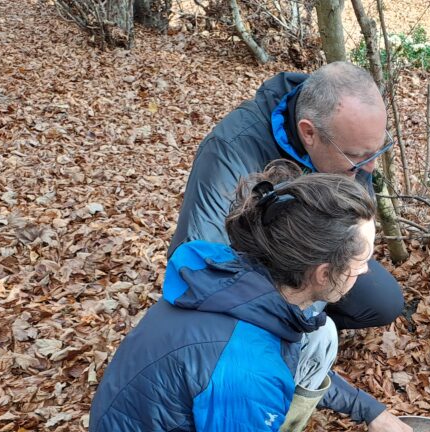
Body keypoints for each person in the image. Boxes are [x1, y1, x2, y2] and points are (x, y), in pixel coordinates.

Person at [89, 165, 417, 432]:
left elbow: (286, 363)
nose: (368, 269)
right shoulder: (245, 368)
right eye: (363, 258)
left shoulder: (236, 280)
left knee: (321, 333)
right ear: (322, 273)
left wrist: (372, 411)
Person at [169, 62, 404, 331]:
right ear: (309, 133)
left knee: (383, 301)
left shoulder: (349, 139)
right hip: (255, 266)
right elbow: (196, 263)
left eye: (376, 151)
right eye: (355, 156)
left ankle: (306, 322)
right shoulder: (231, 149)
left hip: (318, 258)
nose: (369, 168)